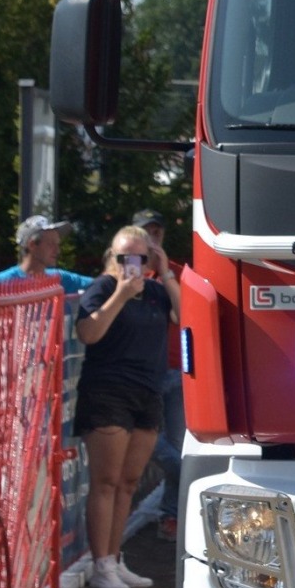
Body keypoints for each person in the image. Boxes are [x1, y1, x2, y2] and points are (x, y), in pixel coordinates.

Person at [74, 225, 181, 588]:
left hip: (146, 392)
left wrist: (165, 273)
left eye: (141, 257)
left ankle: (114, 559)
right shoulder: (103, 288)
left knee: (129, 482)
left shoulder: (155, 291)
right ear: (113, 257)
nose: (133, 265)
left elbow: (185, 318)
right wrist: (120, 293)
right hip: (107, 392)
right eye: (126, 258)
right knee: (105, 481)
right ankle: (100, 562)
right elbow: (88, 333)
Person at [132, 208, 185, 542]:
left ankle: (170, 515)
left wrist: (164, 272)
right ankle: (168, 510)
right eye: (146, 233)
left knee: (177, 445)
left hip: (176, 369)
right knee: (161, 449)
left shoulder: (175, 273)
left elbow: (183, 316)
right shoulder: (127, 274)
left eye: (158, 233)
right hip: (143, 373)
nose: (153, 239)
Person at [0, 215, 94, 297]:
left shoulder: (61, 278)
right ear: (32, 245)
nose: (57, 250)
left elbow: (100, 284)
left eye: (58, 244)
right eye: (51, 244)